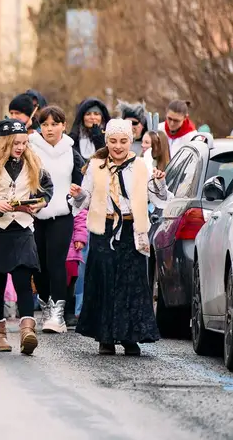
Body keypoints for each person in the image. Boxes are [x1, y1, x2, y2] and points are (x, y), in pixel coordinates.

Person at [69, 119, 168, 356]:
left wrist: (159, 181)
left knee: (130, 282)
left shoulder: (141, 166)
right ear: (107, 141)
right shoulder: (96, 166)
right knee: (104, 279)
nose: (118, 146)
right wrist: (79, 194)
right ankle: (105, 337)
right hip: (104, 229)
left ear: (130, 141)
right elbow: (85, 198)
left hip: (132, 230)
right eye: (113, 141)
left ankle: (130, 337)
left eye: (123, 141)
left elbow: (158, 198)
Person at [0, 119, 54, 355]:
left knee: (23, 280)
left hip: (22, 227)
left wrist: (40, 203)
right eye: (16, 143)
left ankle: (27, 330)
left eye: (24, 142)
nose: (21, 147)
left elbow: (47, 189)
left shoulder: (33, 161)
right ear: (3, 142)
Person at [27, 106, 85, 334]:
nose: (49, 129)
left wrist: (75, 197)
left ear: (63, 125)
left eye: (54, 124)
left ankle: (57, 314)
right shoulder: (31, 148)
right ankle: (44, 305)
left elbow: (82, 184)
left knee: (57, 262)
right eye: (45, 124)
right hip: (34, 215)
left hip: (62, 214)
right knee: (38, 265)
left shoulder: (71, 151)